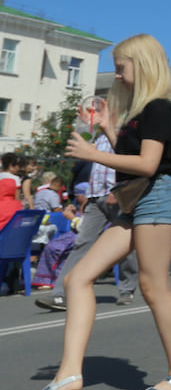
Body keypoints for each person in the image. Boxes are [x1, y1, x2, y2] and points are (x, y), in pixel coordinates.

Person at [10, 34, 171, 390]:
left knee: (153, 286)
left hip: (157, 195)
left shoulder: (159, 108)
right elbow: (129, 161)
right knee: (78, 278)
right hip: (136, 198)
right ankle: (68, 376)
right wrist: (110, 127)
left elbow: (148, 164)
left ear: (141, 66)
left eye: (121, 65)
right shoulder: (140, 111)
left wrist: (93, 152)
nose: (116, 72)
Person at [36, 126, 140, 310]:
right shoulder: (99, 136)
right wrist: (89, 196)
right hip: (95, 196)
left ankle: (127, 289)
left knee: (125, 246)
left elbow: (127, 161)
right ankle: (62, 293)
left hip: (116, 193)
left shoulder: (122, 131)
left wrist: (119, 187)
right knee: (82, 242)